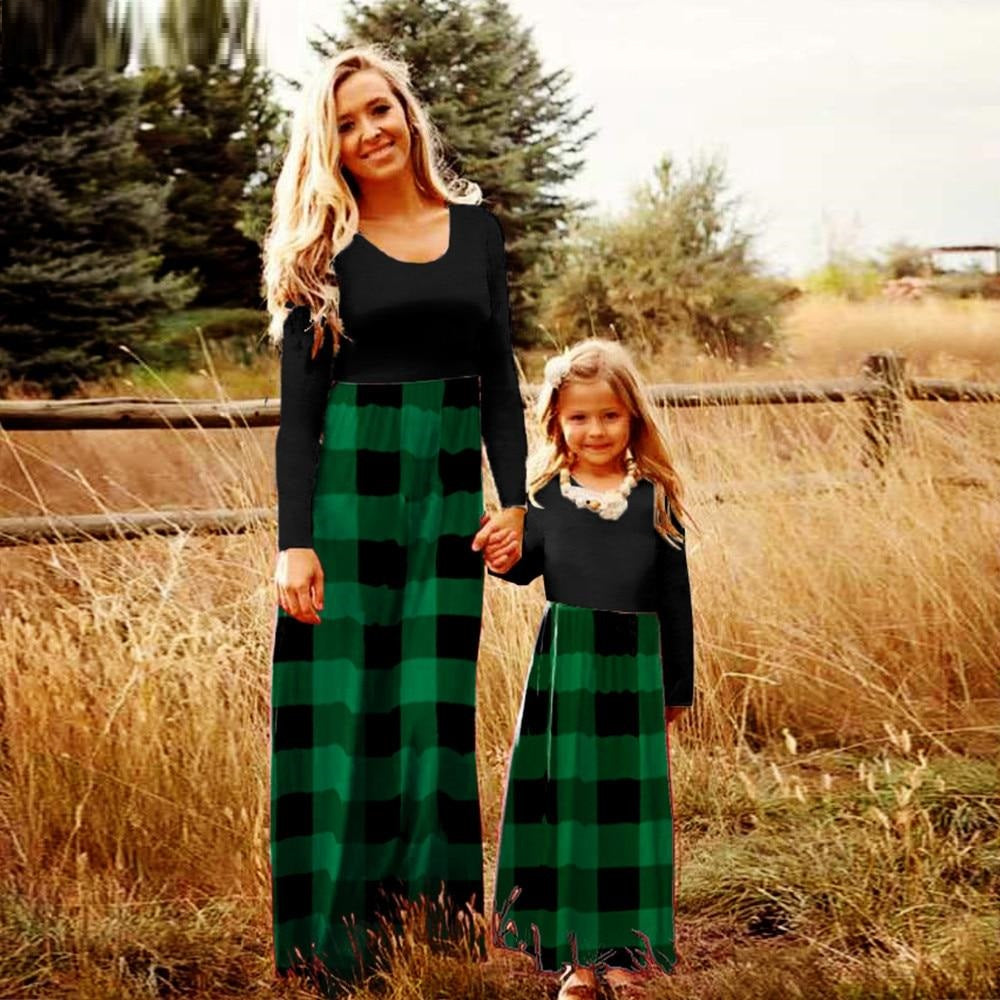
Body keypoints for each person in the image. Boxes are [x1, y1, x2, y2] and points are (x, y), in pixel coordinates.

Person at [263, 44, 527, 986]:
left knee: (429, 713)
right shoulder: (315, 251)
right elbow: (302, 422)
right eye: (345, 122)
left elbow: (499, 378)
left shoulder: (477, 230)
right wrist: (294, 542)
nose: (369, 131)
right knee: (343, 718)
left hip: (446, 500)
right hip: (346, 503)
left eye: (380, 110)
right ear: (326, 144)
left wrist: (518, 502)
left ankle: (438, 938)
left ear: (407, 114)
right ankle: (331, 946)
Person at [484, 339, 695, 1000]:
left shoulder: (655, 499)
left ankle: (630, 955)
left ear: (632, 418)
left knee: (627, 812)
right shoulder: (542, 499)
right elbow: (521, 569)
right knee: (570, 809)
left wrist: (677, 687)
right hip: (567, 669)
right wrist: (498, 552)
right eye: (579, 417)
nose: (595, 429)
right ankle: (575, 961)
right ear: (555, 422)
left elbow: (676, 601)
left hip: (635, 670)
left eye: (609, 416)